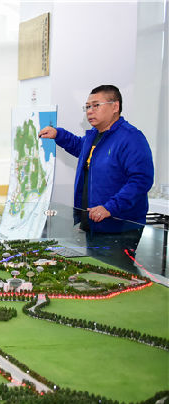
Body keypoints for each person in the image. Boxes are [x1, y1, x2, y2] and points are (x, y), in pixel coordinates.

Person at [38, 85, 154, 273]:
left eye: (96, 105)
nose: (90, 111)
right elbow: (80, 147)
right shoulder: (94, 136)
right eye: (87, 107)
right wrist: (58, 135)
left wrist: (110, 207)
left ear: (115, 106)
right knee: (98, 275)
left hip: (119, 227)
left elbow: (141, 180)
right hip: (92, 223)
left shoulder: (131, 138)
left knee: (117, 276)